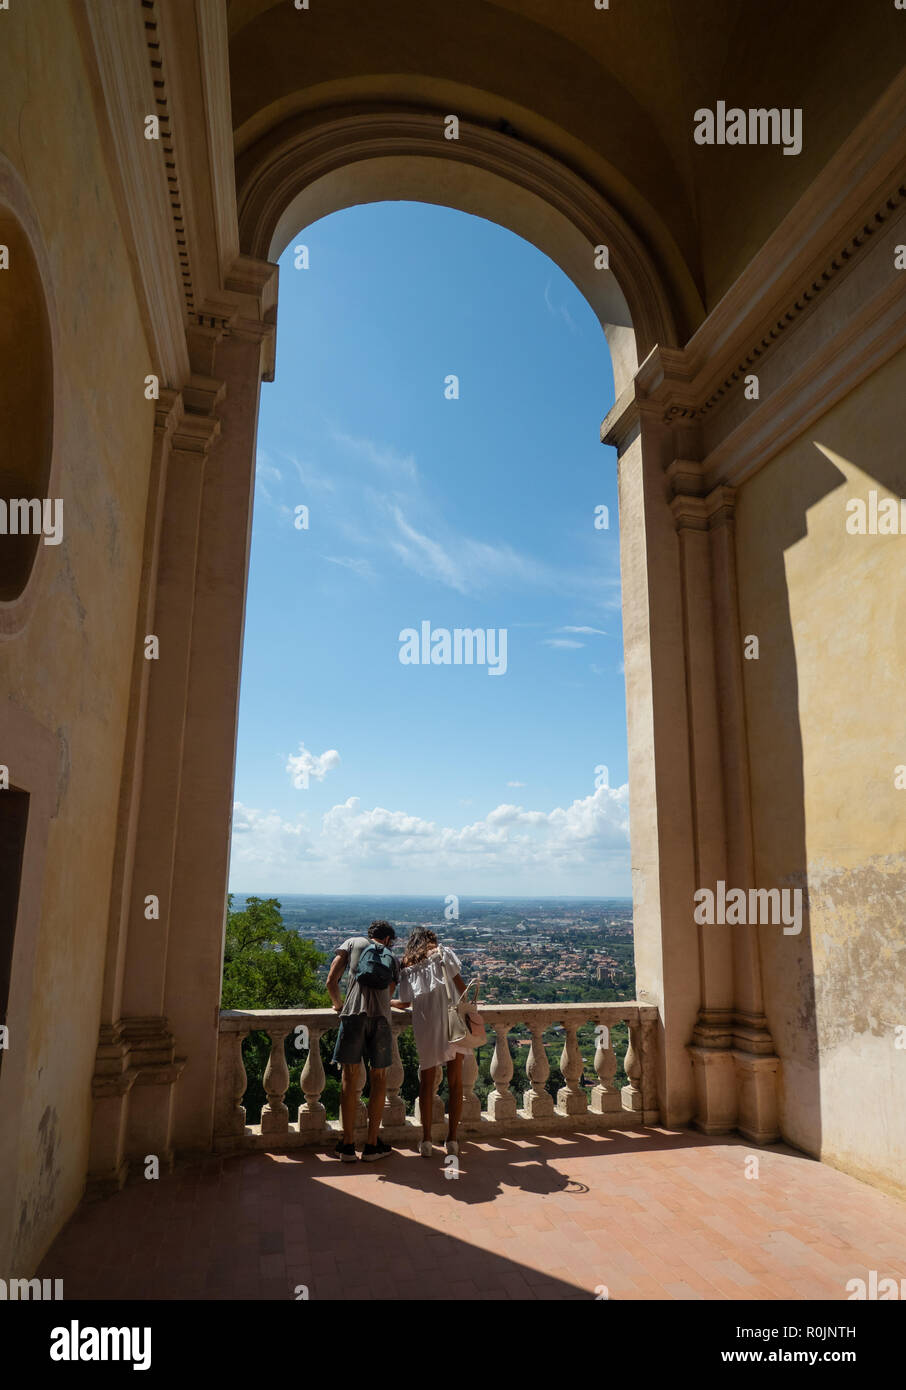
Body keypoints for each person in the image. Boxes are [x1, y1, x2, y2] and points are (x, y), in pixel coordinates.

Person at [326, 919, 400, 1162]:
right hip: (380, 1020)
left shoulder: (351, 943)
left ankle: (347, 1146)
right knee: (379, 1080)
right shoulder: (391, 956)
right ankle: (371, 1145)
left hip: (353, 1015)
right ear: (388, 939)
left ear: (370, 934)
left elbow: (331, 980)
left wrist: (339, 1005)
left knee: (349, 1079)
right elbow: (388, 995)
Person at [392, 927, 469, 1157]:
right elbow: (461, 988)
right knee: (455, 1084)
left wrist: (387, 1003)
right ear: (431, 940)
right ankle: (452, 1139)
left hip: (426, 1025)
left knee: (426, 1084)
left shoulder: (407, 966)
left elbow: (405, 1003)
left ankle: (426, 1140)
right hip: (453, 1023)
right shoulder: (444, 954)